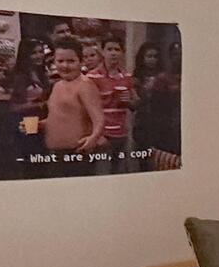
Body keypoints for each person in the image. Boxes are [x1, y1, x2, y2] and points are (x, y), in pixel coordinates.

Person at [43, 37, 104, 177]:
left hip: (77, 154)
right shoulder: (57, 85)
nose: (65, 66)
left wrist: (93, 138)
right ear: (54, 62)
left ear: (81, 62)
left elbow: (99, 119)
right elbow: (57, 119)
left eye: (71, 61)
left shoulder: (85, 85)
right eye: (60, 61)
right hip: (55, 155)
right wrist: (35, 126)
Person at [87, 32, 137, 173]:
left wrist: (129, 101)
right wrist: (97, 135)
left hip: (122, 134)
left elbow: (136, 104)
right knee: (102, 174)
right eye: (109, 49)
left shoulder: (127, 76)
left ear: (122, 52)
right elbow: (87, 109)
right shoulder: (92, 77)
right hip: (102, 135)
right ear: (102, 52)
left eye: (117, 49)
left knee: (120, 174)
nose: (113, 53)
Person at [8, 38, 51, 175]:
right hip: (28, 121)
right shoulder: (20, 77)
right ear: (26, 55)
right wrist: (39, 104)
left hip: (43, 121)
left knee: (44, 161)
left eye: (40, 51)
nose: (39, 55)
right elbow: (14, 107)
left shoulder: (42, 73)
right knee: (33, 161)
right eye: (34, 53)